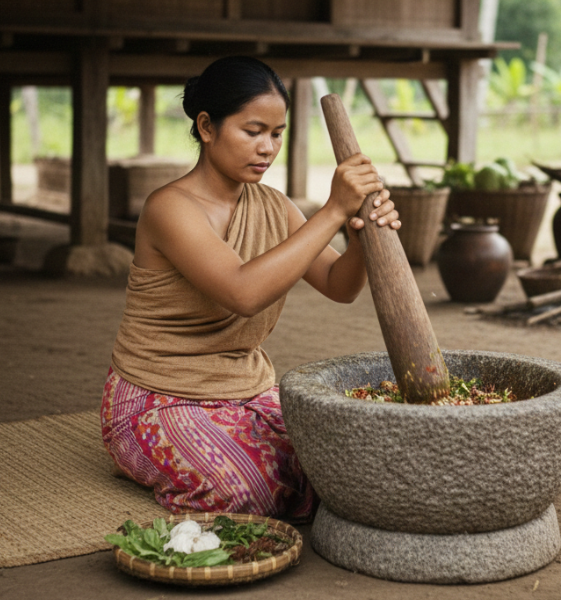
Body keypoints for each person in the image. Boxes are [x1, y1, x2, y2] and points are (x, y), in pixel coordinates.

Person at [100, 56, 400, 522]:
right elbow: (242, 292)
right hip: (160, 396)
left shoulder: (274, 207)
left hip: (248, 391)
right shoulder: (170, 208)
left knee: (345, 465)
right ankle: (139, 452)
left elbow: (339, 285)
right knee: (251, 491)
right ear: (206, 126)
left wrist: (361, 235)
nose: (267, 148)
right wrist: (332, 211)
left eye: (277, 134)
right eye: (253, 130)